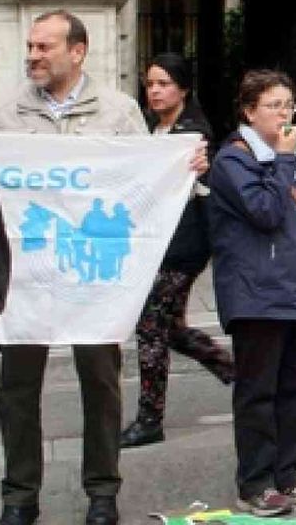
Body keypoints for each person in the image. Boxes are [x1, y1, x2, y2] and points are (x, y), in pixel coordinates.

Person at [0, 10, 202, 525]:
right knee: (17, 387)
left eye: (45, 47)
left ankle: (102, 492)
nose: (33, 56)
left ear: (77, 51)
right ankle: (20, 496)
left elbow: (142, 185)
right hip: (25, 278)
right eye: (31, 47)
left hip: (95, 279)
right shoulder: (1, 112)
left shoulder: (119, 112)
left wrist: (187, 168)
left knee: (101, 382)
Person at [209, 70, 296, 517]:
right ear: (250, 111)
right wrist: (283, 161)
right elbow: (266, 212)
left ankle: (288, 475)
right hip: (257, 295)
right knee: (258, 393)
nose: (285, 114)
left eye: (290, 105)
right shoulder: (233, 161)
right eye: (274, 105)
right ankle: (254, 482)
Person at [120, 54, 235, 450]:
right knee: (167, 326)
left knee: (150, 325)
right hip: (158, 245)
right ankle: (234, 369)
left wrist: (205, 170)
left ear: (183, 89)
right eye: (150, 83)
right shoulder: (154, 129)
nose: (154, 91)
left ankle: (150, 418)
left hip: (184, 246)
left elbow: (207, 184)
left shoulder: (192, 133)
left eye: (163, 83)